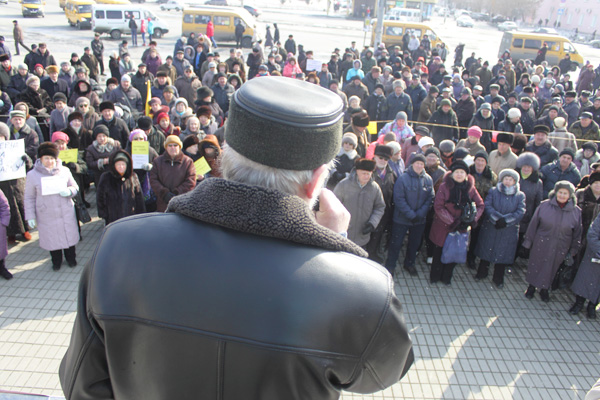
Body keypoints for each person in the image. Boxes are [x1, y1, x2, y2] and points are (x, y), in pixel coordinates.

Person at [59, 77, 413, 398]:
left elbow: (81, 385)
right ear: (315, 179)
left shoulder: (120, 246)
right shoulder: (363, 289)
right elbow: (382, 372)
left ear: (224, 157)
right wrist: (335, 248)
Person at [523, 181, 582, 302]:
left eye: (565, 193)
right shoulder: (544, 205)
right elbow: (533, 225)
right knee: (536, 265)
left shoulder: (576, 212)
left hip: (561, 246)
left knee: (552, 268)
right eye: (560, 192)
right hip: (542, 242)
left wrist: (573, 250)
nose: (562, 195)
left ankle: (545, 289)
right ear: (555, 192)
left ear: (570, 195)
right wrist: (527, 242)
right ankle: (531, 287)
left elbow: (577, 233)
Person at [24, 142, 79, 271]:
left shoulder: (64, 171)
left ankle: (71, 259)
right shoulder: (32, 175)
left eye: (52, 158)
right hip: (46, 213)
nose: (50, 161)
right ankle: (56, 261)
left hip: (65, 210)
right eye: (46, 158)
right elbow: (29, 197)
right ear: (40, 159)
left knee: (68, 237)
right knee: (52, 239)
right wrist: (30, 216)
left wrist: (69, 191)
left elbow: (75, 186)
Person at [429, 160, 484, 285]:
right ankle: (435, 276)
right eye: (457, 172)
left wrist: (471, 219)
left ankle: (446, 278)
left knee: (454, 253)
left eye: (462, 172)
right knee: (439, 252)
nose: (459, 175)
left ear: (466, 175)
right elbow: (438, 207)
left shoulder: (470, 188)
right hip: (443, 227)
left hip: (462, 228)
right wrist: (453, 221)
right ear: (452, 174)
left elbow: (480, 205)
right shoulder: (444, 186)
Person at [474, 169, 526, 288]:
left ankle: (498, 278)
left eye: (510, 179)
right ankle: (482, 273)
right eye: (506, 179)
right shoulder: (494, 191)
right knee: (486, 250)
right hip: (492, 226)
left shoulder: (520, 195)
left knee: (503, 254)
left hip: (508, 230)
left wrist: (506, 220)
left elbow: (520, 211)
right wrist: (496, 219)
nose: (508, 182)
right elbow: (487, 205)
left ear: (515, 181)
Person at [385, 153, 434, 276]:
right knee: (396, 243)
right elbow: (399, 199)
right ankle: (390, 265)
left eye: (421, 164)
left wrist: (420, 213)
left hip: (419, 220)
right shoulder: (403, 178)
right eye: (417, 163)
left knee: (414, 244)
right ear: (412, 164)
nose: (419, 166)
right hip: (401, 219)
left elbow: (430, 198)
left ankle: (409, 264)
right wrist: (411, 214)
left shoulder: (428, 179)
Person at [333, 158, 385, 250]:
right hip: (344, 234)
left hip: (362, 236)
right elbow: (333, 205)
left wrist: (372, 223)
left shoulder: (375, 188)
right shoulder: (343, 185)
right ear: (357, 171)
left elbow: (380, 207)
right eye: (364, 173)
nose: (366, 176)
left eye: (369, 174)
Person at [96, 149, 145, 225]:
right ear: (114, 165)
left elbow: (139, 197)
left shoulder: (133, 177)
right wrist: (104, 214)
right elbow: (100, 197)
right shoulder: (106, 177)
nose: (121, 167)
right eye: (118, 164)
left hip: (130, 216)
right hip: (113, 218)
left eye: (123, 164)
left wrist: (141, 213)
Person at [149, 135, 196, 212]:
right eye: (170, 145)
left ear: (180, 147)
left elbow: (191, 181)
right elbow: (153, 180)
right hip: (162, 204)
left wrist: (177, 193)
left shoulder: (188, 162)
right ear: (166, 147)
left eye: (175, 145)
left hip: (182, 203)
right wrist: (164, 193)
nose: (173, 148)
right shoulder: (158, 161)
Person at [570, 212, 600, 319]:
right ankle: (579, 303)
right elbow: (592, 234)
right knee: (585, 280)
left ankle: (592, 306)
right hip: (595, 254)